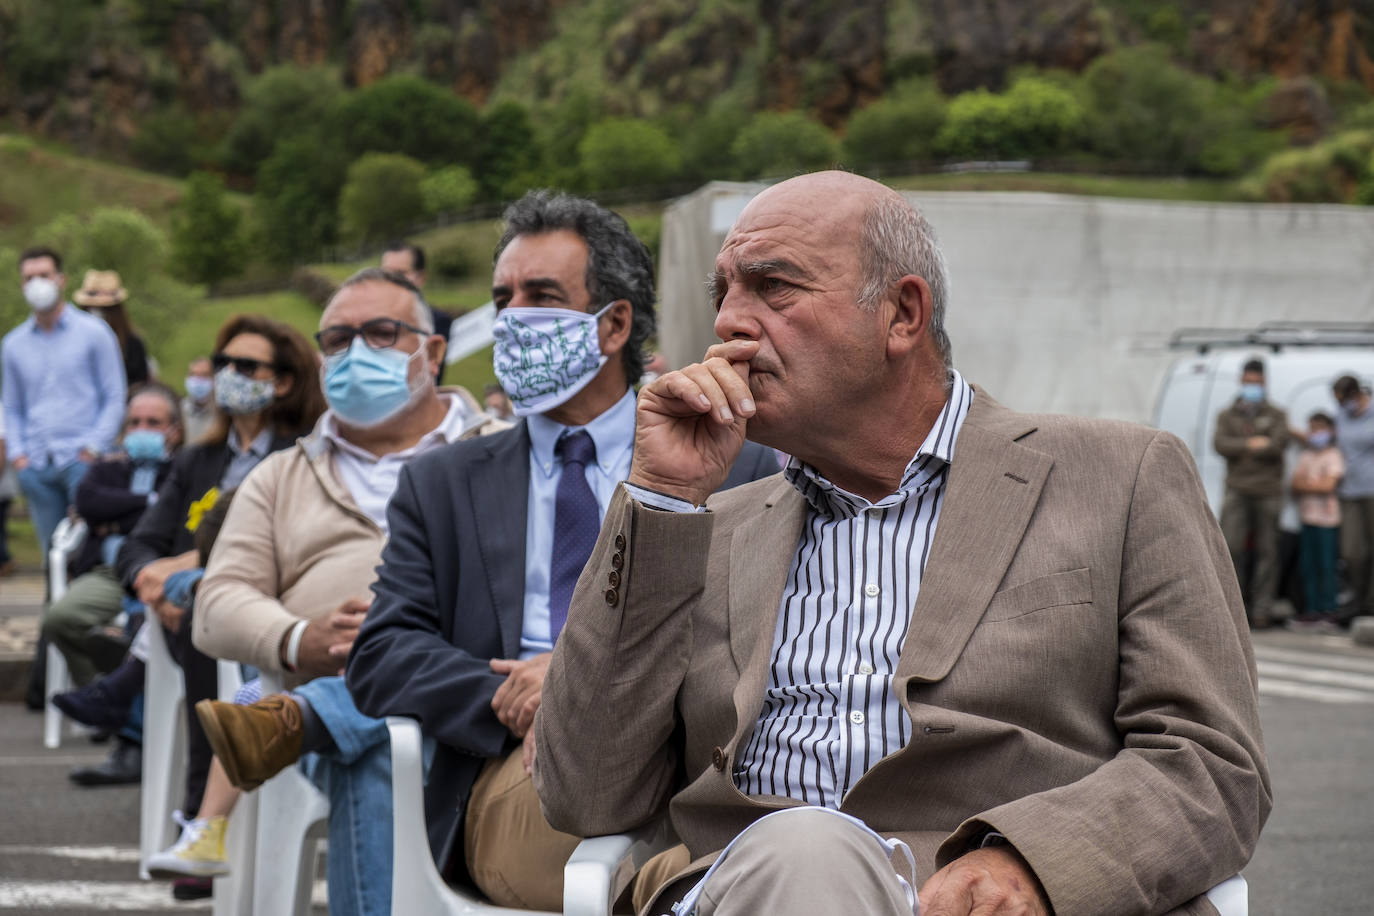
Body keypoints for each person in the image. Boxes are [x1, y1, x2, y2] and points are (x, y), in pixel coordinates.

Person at [533, 172, 1270, 916]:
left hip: (1002, 901)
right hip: (755, 885)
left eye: (772, 287)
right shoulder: (705, 530)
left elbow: (1211, 761)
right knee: (806, 850)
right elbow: (585, 793)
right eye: (723, 292)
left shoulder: (1120, 476)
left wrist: (1036, 862)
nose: (729, 322)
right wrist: (661, 497)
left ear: (902, 314)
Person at [342, 191, 779, 911]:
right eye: (501, 297)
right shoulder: (443, 483)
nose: (513, 318)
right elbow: (382, 653)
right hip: (523, 777)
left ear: (613, 325)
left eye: (540, 295)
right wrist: (514, 696)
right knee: (716, 871)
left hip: (700, 768)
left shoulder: (740, 464)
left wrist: (582, 678)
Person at [165, 268, 506, 912]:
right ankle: (330, 704)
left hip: (474, 693)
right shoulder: (280, 477)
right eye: (337, 339)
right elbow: (215, 603)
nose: (355, 355)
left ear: (432, 352)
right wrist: (298, 638)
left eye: (380, 333)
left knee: (381, 710)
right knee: (381, 740)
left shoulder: (504, 452)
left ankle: (310, 716)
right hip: (343, 695)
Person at [114, 313, 325, 901]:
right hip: (195, 612)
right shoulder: (195, 462)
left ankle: (197, 814)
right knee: (196, 615)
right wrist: (147, 581)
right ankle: (201, 823)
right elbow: (138, 545)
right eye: (224, 362)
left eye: (247, 366)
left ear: (283, 381)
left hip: (270, 605)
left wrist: (180, 571)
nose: (229, 376)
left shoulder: (305, 455)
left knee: (206, 608)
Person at [45, 384, 183, 690]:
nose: (141, 429)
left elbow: (174, 520)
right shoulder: (107, 466)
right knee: (59, 619)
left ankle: (117, 702)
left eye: (153, 423)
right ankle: (99, 689)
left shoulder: (183, 468)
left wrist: (112, 521)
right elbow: (88, 501)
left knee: (157, 627)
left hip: (157, 572)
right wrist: (148, 500)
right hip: (106, 574)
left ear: (174, 429)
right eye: (134, 422)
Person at [3, 247, 126, 559]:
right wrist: (19, 455)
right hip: (36, 463)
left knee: (88, 551)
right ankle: (53, 604)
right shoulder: (13, 344)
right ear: (21, 285)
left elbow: (114, 395)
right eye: (29, 278)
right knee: (52, 554)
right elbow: (12, 406)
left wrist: (94, 448)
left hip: (83, 461)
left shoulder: (95, 333)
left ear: (61, 279)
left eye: (43, 275)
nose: (37, 283)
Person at [1213, 358, 1290, 629]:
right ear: (1241, 381)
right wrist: (1252, 443)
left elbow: (1278, 445)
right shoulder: (1227, 414)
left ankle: (1261, 609)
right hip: (1237, 489)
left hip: (1268, 491)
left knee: (1267, 551)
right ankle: (1233, 607)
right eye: (1248, 382)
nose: (1252, 387)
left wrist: (1245, 448)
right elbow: (1220, 444)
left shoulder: (1277, 413)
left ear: (1264, 382)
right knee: (1230, 547)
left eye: (1256, 383)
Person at [1289, 411, 1346, 630]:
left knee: (1327, 566)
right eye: (1312, 428)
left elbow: (1328, 486)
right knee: (1308, 566)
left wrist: (1310, 485)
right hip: (1307, 517)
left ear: (1331, 430)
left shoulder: (1333, 455)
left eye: (1320, 428)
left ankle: (1329, 610)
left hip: (1328, 520)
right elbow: (1295, 485)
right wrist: (1315, 485)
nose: (1315, 433)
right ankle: (1312, 610)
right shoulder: (1306, 456)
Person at [1332, 374, 1374, 621]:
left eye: (1343, 399)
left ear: (1356, 395)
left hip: (1372, 491)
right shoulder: (1340, 416)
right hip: (1348, 491)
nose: (1340, 405)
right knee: (1352, 552)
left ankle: (1370, 604)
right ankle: (1357, 599)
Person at [381, 241, 453, 383]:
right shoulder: (367, 316)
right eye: (385, 273)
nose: (391, 280)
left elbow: (431, 379)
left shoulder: (437, 321)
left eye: (400, 273)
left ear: (420, 278)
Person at [72, 269, 153, 386]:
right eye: (92, 308)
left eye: (104, 309)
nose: (97, 314)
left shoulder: (132, 343)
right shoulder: (72, 340)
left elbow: (140, 383)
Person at [180, 357, 216, 444]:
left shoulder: (222, 414)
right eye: (193, 374)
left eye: (204, 375)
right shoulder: (178, 409)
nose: (198, 381)